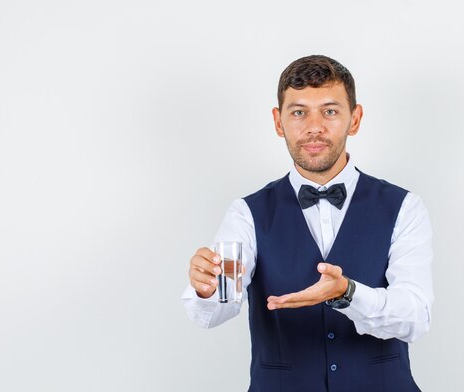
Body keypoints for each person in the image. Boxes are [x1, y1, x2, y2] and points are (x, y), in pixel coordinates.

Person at [181, 55, 434, 392]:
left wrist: (348, 293)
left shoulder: (404, 207)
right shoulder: (246, 213)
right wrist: (207, 288)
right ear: (279, 121)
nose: (314, 127)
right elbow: (214, 310)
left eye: (330, 111)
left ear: (354, 119)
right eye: (299, 112)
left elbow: (414, 317)